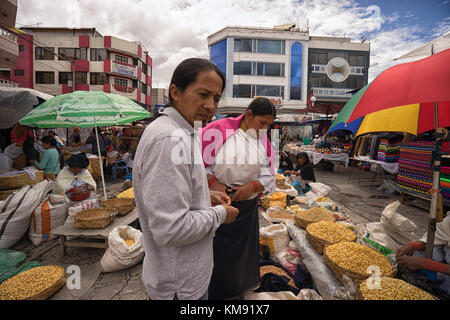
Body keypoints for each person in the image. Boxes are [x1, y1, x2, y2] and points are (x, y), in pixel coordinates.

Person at [132, 57, 239, 300]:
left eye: (216, 98)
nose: (210, 105)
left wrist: (203, 195)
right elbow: (170, 229)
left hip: (184, 278)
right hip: (179, 287)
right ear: (175, 92)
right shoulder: (170, 139)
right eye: (203, 94)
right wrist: (221, 215)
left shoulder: (183, 132)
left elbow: (174, 194)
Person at [201, 97, 276, 300]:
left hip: (247, 208)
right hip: (217, 201)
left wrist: (252, 186)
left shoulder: (264, 142)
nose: (265, 129)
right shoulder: (218, 131)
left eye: (269, 125)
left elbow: (269, 176)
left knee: (240, 256)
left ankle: (237, 290)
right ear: (249, 115)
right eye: (262, 123)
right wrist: (212, 182)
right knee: (216, 253)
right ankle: (213, 292)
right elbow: (197, 162)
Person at [396, 214, 450, 296]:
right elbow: (435, 238)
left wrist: (425, 264)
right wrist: (414, 245)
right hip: (445, 260)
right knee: (414, 254)